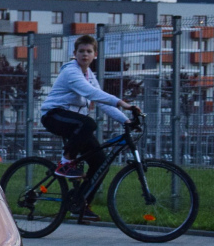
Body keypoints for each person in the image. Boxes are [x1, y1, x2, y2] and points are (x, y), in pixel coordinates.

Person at [40, 35, 140, 219]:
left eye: (89, 51)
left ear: (95, 54)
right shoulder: (71, 71)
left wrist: (125, 121)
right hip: (54, 115)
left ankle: (81, 203)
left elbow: (101, 101)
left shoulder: (89, 74)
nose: (85, 55)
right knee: (89, 123)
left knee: (100, 161)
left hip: (75, 122)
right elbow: (90, 92)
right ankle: (65, 162)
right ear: (74, 54)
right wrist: (121, 102)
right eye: (81, 51)